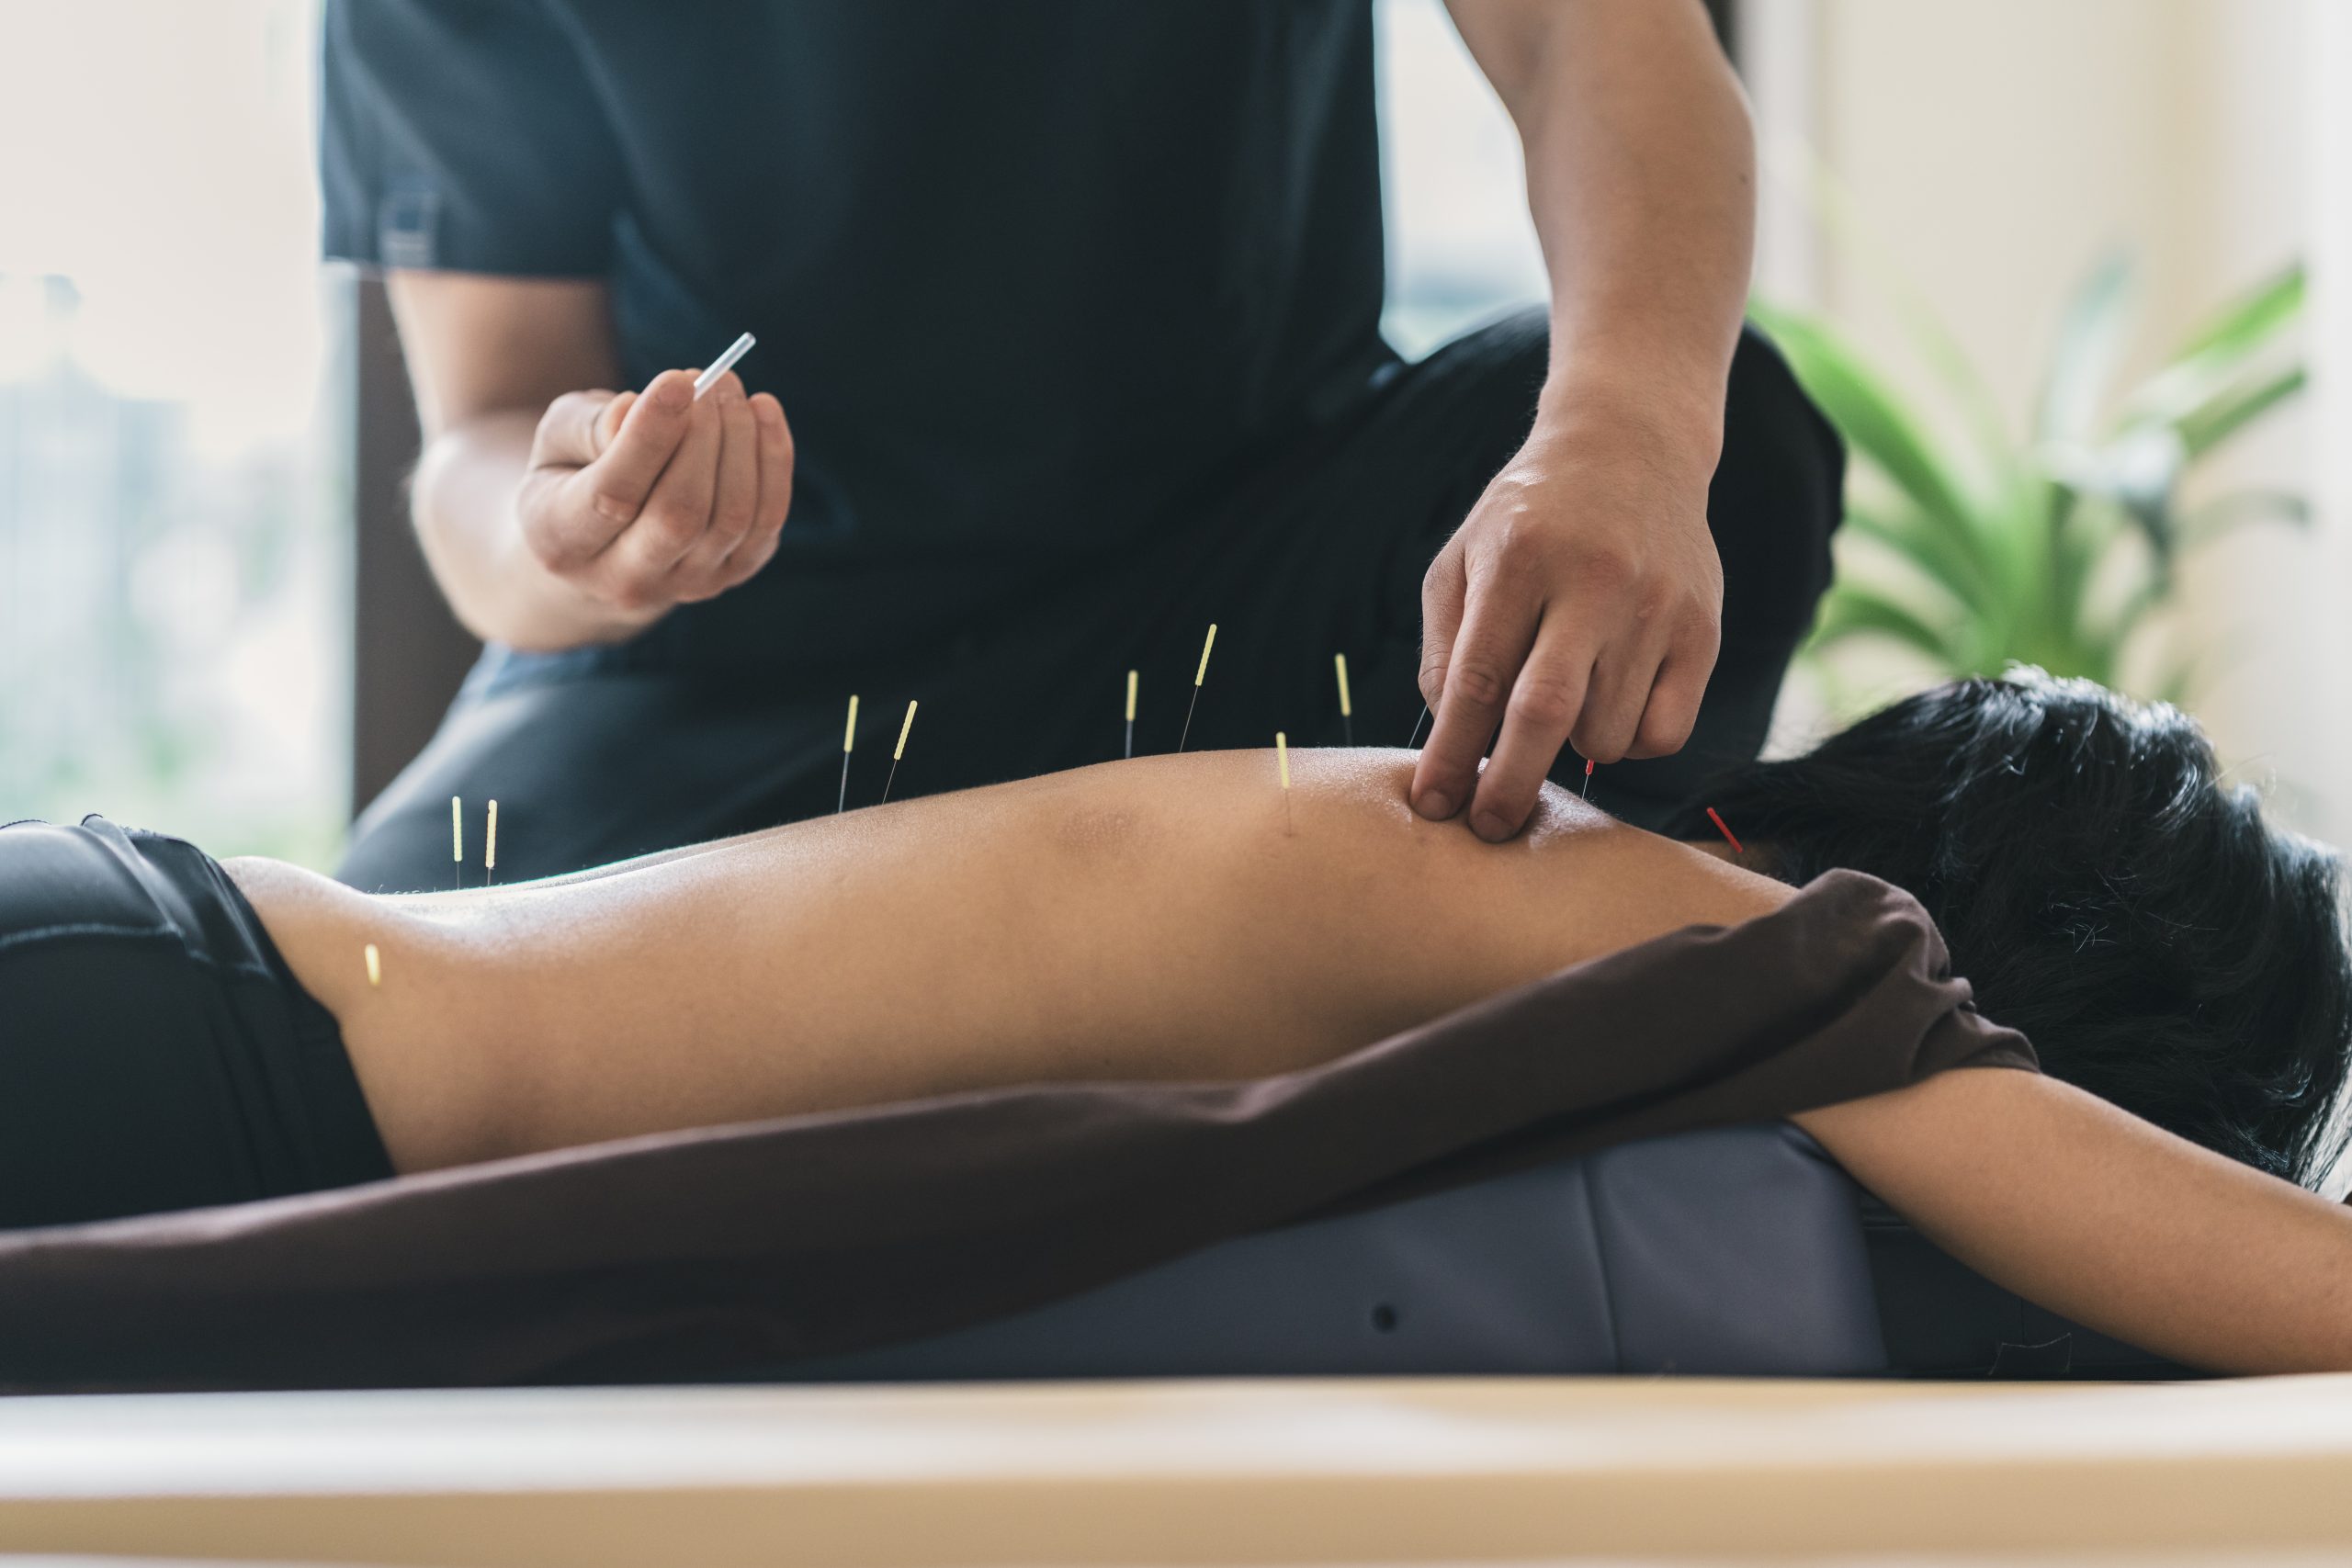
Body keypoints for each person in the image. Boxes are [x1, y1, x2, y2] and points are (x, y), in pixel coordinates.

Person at [3, 671, 2348, 1374]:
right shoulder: (1630, 915)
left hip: (196, 1009)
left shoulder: (1585, 934)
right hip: (192, 1042)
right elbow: (2281, 1291)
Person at [318, 0, 1843, 891]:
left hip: (1259, 624)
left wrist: (1621, 434)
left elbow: (1598, 39)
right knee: (363, 992)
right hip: (741, 684)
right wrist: (581, 534)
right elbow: (484, 438)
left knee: (1738, 449)